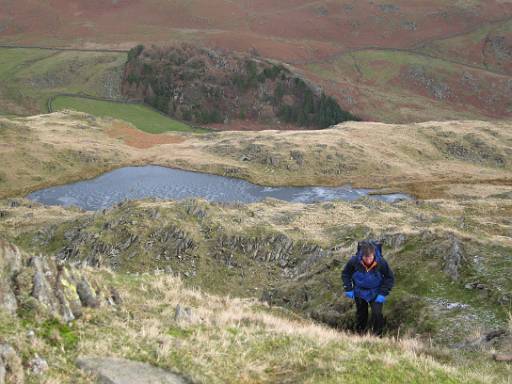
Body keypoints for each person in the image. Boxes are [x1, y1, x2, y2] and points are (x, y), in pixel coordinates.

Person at [341, 240, 394, 336]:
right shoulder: (354, 261)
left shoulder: (381, 262)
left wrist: (383, 293)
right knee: (361, 315)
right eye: (366, 258)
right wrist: (348, 288)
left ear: (373, 254)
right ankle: (360, 334)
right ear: (362, 255)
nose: (368, 260)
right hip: (359, 292)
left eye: (370, 257)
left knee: (377, 314)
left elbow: (389, 278)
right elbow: (346, 274)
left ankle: (377, 336)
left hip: (376, 292)